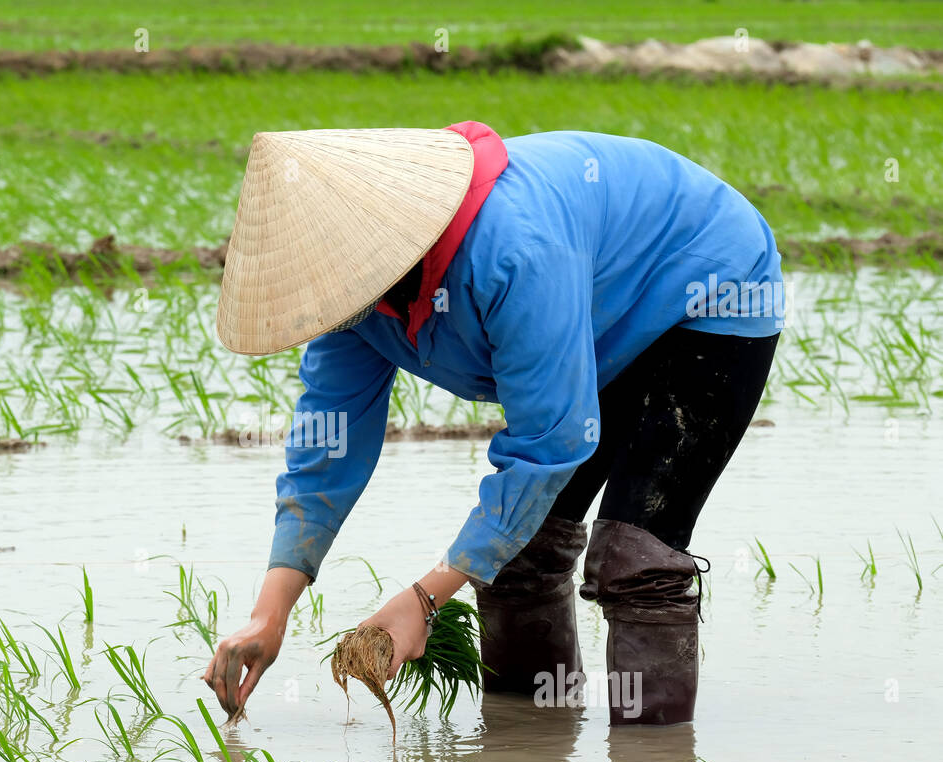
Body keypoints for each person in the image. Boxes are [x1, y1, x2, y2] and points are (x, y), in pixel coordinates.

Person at [203, 122, 783, 726]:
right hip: (597, 312)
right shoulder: (356, 300)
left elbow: (550, 443)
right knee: (515, 555)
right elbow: (329, 444)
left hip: (708, 293)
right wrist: (272, 610)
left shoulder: (513, 251)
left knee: (633, 558)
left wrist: (424, 599)